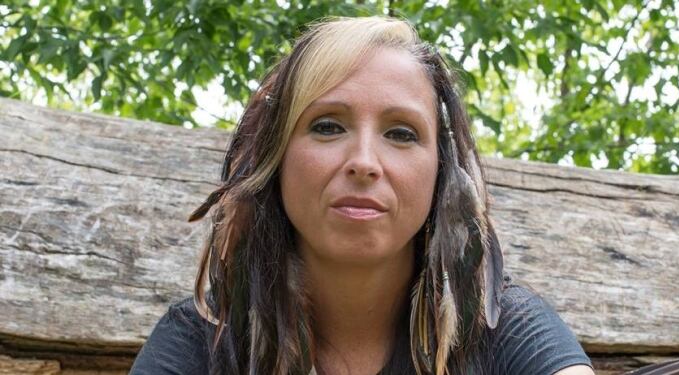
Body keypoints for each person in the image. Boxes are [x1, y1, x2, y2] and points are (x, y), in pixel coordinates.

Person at [129, 16, 594, 375]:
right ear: (278, 156)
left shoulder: (500, 329)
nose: (365, 162)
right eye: (328, 126)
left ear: (440, 171)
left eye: (401, 133)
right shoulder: (205, 337)